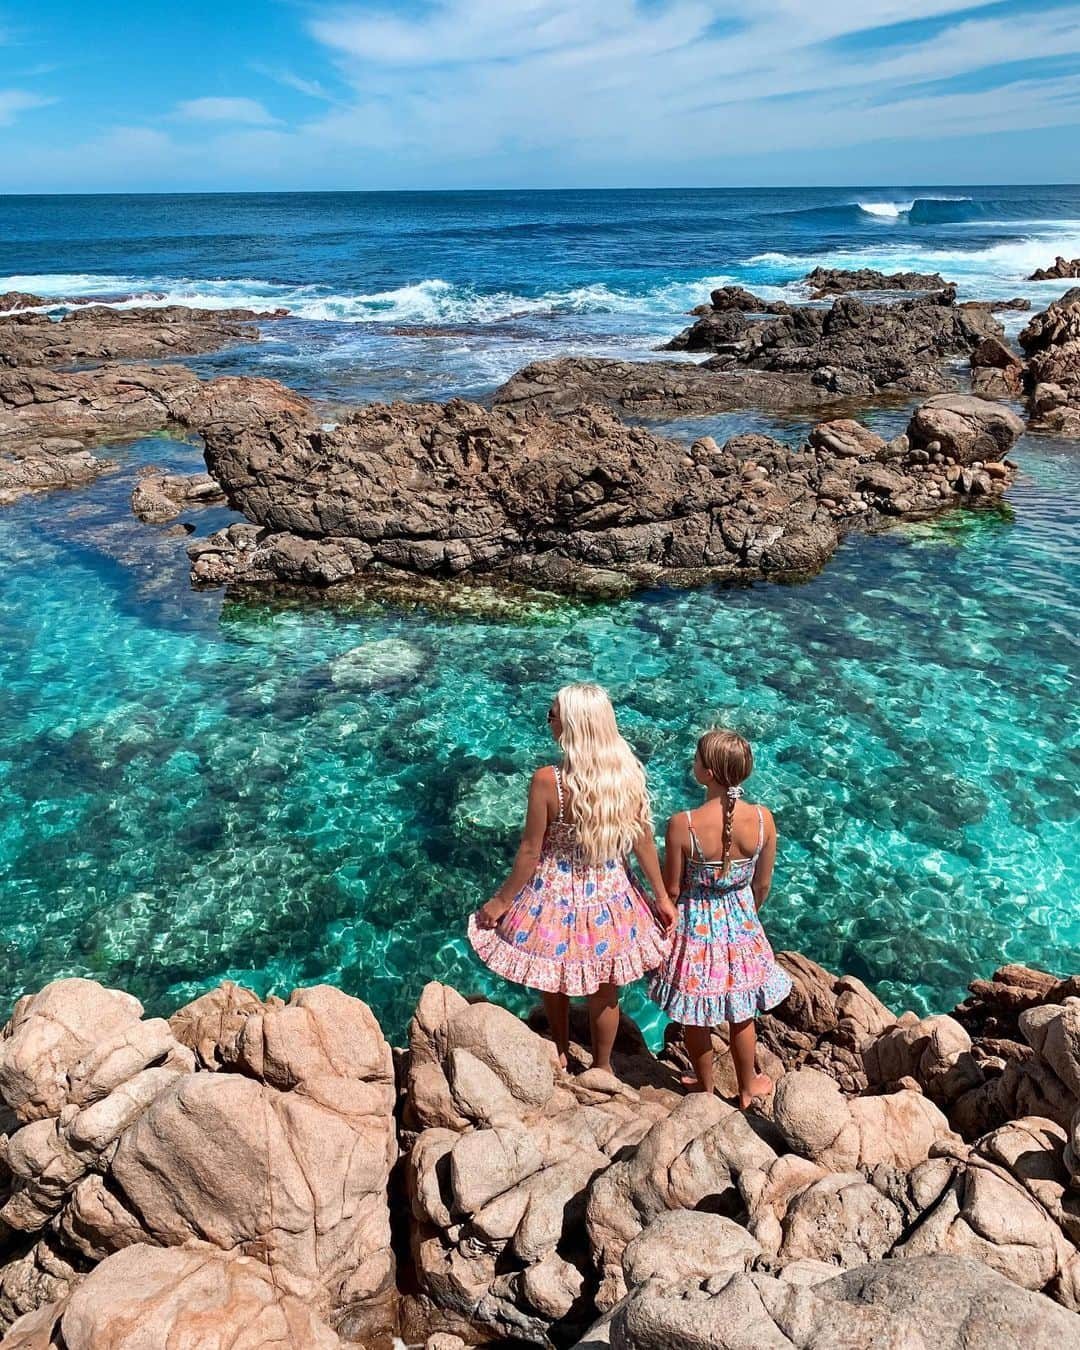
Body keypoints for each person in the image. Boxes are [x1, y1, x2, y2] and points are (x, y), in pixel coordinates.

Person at [469, 682, 675, 1073]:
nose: (548, 722)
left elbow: (530, 851)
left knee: (553, 979)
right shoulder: (625, 774)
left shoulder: (549, 781)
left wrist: (500, 903)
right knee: (606, 989)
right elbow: (642, 840)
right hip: (611, 896)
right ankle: (602, 1067)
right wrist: (661, 896)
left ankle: (560, 1051)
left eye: (552, 715)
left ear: (572, 725)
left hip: (554, 894)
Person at [649, 729, 791, 1106]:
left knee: (696, 1013)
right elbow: (763, 885)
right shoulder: (763, 820)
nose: (692, 763)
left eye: (696, 759)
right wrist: (746, 920)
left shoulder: (684, 824)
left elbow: (674, 890)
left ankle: (705, 1086)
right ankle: (747, 1087)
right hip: (742, 921)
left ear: (708, 772)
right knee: (741, 1012)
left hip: (696, 925)